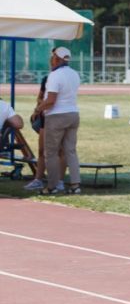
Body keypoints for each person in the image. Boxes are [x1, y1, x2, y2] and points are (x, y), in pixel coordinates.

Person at [33, 47, 81, 195]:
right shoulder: (75, 74)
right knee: (70, 151)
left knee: (51, 152)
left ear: (57, 59)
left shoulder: (54, 76)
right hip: (73, 114)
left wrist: (37, 110)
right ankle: (75, 185)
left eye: (53, 56)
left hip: (56, 116)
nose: (51, 59)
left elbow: (51, 100)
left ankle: (52, 186)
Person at [23, 76, 64, 192]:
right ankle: (38, 180)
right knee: (42, 150)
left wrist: (51, 103)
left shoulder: (65, 78)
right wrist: (39, 108)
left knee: (60, 151)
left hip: (59, 117)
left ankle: (60, 182)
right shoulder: (47, 79)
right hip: (45, 117)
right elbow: (40, 98)